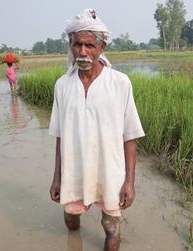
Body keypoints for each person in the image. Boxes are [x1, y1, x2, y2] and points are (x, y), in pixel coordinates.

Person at [48, 9, 145, 251]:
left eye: (90, 45)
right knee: (71, 218)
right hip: (75, 171)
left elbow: (130, 136)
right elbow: (60, 136)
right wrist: (57, 177)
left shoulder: (120, 83)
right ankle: (74, 239)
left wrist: (129, 183)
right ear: (70, 45)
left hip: (110, 173)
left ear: (101, 47)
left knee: (111, 227)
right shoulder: (62, 86)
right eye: (77, 44)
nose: (83, 52)